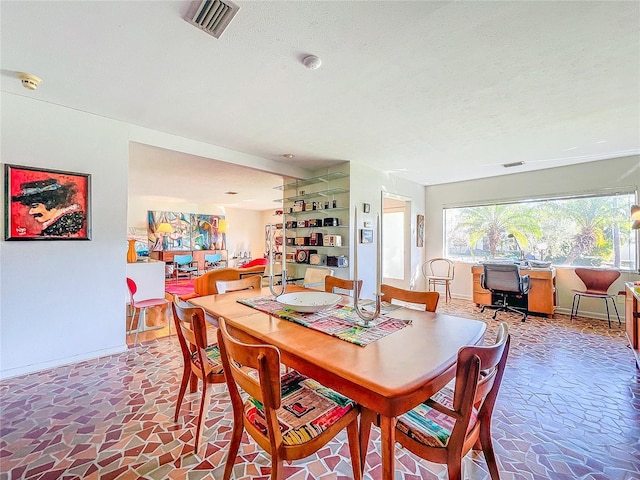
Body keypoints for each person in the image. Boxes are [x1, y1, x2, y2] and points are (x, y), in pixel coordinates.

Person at [12, 178, 86, 236]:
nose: (31, 212)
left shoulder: (64, 228)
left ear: (51, 202)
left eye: (34, 206)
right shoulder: (62, 224)